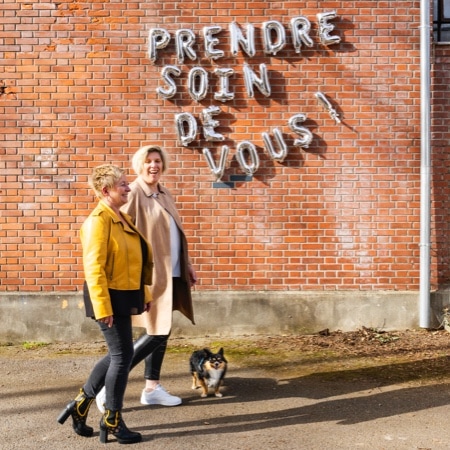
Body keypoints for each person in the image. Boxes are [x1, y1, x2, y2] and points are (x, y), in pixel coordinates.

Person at [57, 164, 154, 445]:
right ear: (106, 191)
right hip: (107, 296)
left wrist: (143, 294)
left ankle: (81, 404)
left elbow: (135, 260)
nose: (128, 187)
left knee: (117, 355)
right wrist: (103, 307)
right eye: (122, 184)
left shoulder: (121, 217)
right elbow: (94, 268)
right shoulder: (98, 222)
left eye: (126, 183)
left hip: (124, 293)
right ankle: (111, 419)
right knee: (122, 357)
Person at [96, 145, 196, 412]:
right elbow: (122, 235)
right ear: (139, 165)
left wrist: (186, 264)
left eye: (157, 161)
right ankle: (108, 386)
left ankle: (152, 387)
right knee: (157, 331)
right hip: (152, 275)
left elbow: (175, 233)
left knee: (162, 330)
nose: (154, 165)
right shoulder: (134, 193)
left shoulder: (163, 193)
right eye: (148, 161)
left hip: (172, 272)